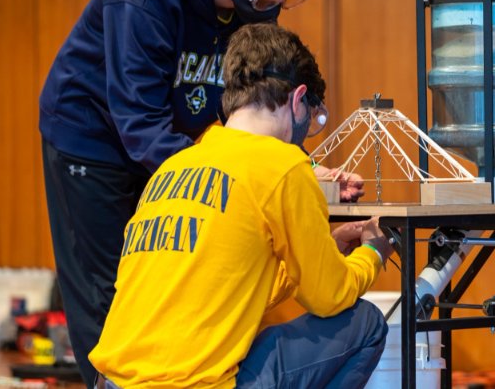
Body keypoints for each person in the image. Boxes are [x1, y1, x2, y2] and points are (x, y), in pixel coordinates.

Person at [38, 0, 362, 385]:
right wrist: (249, 172)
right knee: (107, 290)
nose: (273, 6)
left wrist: (298, 167)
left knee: (174, 275)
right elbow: (139, 124)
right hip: (92, 139)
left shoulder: (254, 2)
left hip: (171, 139)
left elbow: (249, 112)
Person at [88, 22, 392, 388]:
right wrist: (372, 253)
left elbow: (225, 285)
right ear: (297, 101)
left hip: (111, 381)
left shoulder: (176, 165)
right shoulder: (284, 165)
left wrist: (329, 254)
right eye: (312, 118)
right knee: (366, 322)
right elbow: (328, 298)